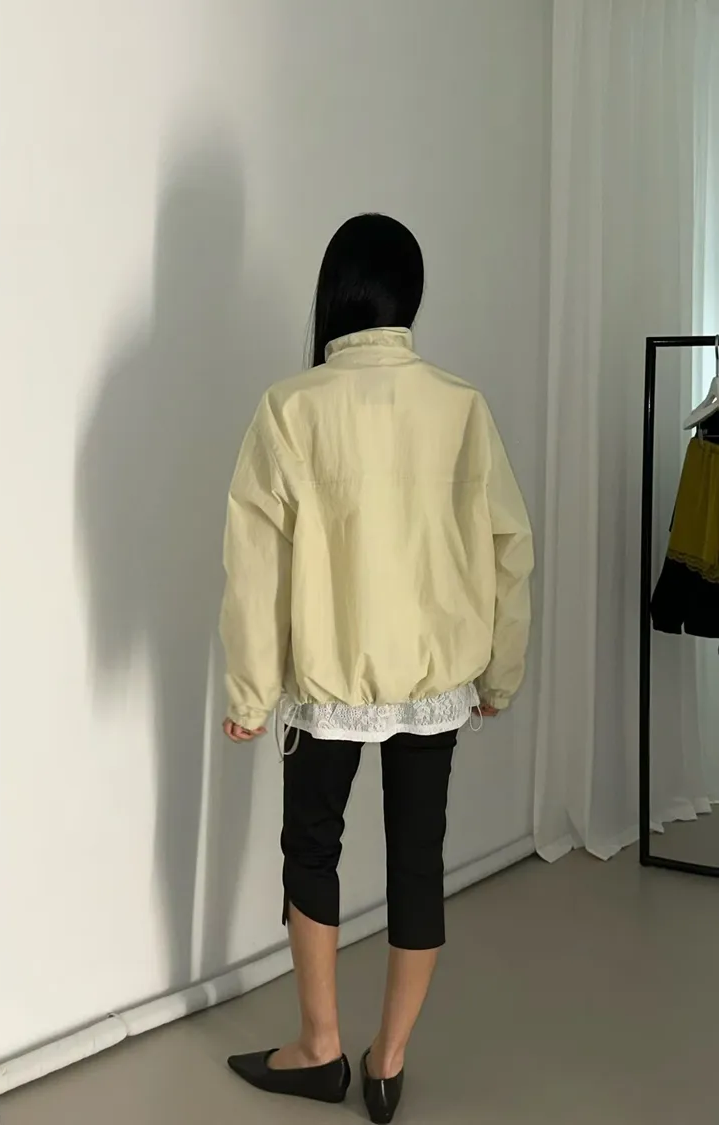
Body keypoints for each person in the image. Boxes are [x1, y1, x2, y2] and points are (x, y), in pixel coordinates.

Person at [220, 213, 533, 1123]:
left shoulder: (291, 408)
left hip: (328, 688)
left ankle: (318, 1048)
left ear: (336, 292)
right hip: (434, 689)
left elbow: (255, 565)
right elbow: (511, 547)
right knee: (418, 862)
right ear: (411, 296)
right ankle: (387, 1063)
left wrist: (250, 690)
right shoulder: (460, 404)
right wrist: (499, 674)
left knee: (311, 852)